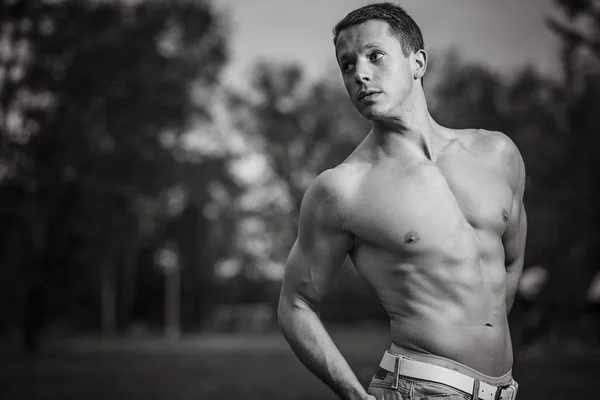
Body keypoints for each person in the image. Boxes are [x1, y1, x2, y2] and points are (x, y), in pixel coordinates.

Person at [277, 2, 527, 400]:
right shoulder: (342, 189)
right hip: (420, 388)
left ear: (418, 62)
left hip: (504, 390)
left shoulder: (499, 154)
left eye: (375, 56)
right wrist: (354, 395)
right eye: (346, 64)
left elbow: (510, 263)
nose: (359, 73)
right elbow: (295, 305)